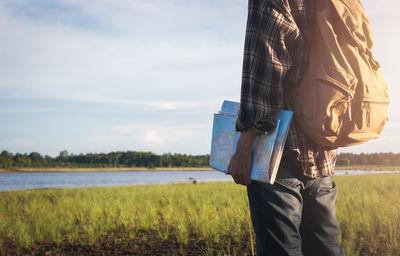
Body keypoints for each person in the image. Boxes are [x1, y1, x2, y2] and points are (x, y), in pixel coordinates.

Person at [227, 0, 344, 255]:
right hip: (323, 148)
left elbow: (266, 70)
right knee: (325, 249)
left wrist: (244, 144)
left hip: (279, 154)